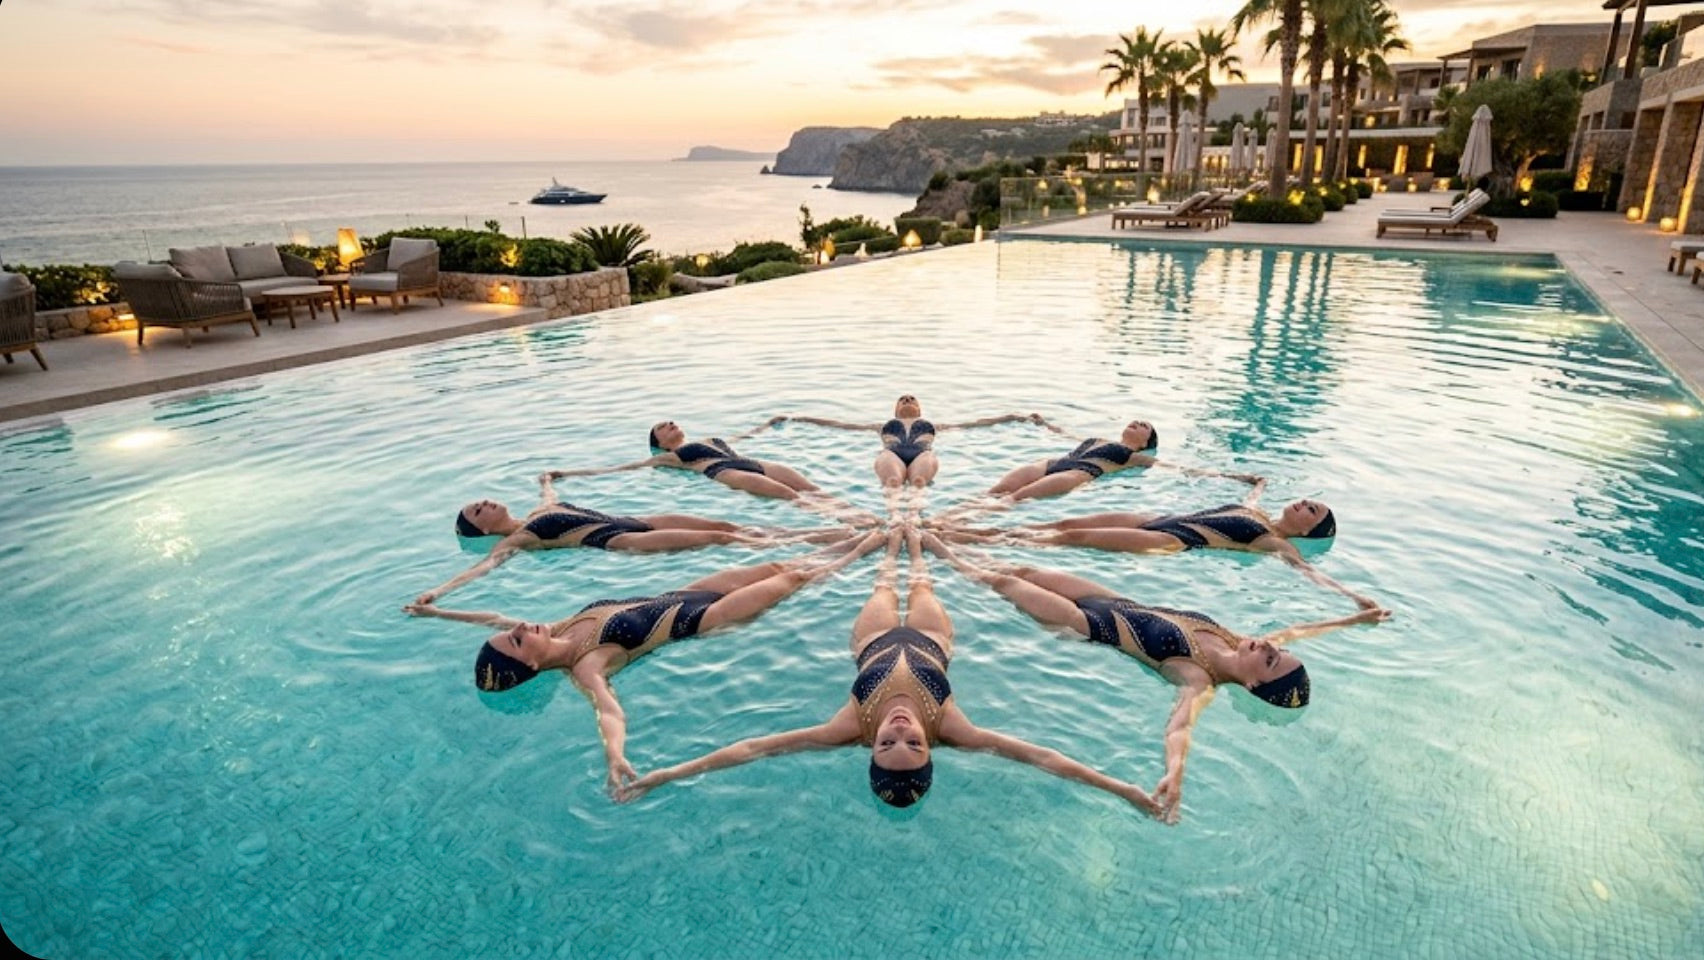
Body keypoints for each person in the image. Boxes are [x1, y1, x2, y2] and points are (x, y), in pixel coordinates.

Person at [614, 527, 1162, 817]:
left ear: (869, 749)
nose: (899, 728)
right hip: (931, 637)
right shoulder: (955, 729)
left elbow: (753, 748)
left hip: (872, 640)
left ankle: (889, 544)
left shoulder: (846, 727)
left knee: (882, 580)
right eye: (913, 744)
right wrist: (1125, 789)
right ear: (931, 750)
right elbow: (1042, 757)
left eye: (887, 744)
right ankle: (917, 542)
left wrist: (665, 774)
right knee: (921, 581)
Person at [921, 533, 1389, 822]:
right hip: (1112, 599)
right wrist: (1351, 619)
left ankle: (936, 555)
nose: (1268, 646)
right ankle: (944, 546)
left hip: (1088, 625)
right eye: (1275, 650)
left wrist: (1174, 774)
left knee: (1003, 584)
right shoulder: (1236, 639)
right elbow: (1297, 631)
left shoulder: (1198, 679)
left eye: (1270, 660)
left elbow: (1180, 726)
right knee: (1019, 569)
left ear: (1251, 686)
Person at [405, 533, 883, 795]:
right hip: (704, 618)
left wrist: (439, 607)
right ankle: (870, 552)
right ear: (528, 666)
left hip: (686, 592)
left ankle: (865, 538)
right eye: (515, 639)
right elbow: (609, 711)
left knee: (782, 565)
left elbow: (490, 616)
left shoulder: (559, 625)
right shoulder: (585, 664)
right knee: (795, 578)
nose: (520, 626)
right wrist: (615, 756)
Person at [413, 472, 835, 605]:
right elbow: (482, 567)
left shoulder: (539, 511)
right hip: (614, 540)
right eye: (477, 510)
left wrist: (545, 479)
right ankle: (803, 543)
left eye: (480, 500)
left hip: (633, 519)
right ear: (483, 530)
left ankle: (802, 534)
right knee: (712, 537)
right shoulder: (518, 540)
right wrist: (438, 590)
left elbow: (550, 495)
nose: (484, 503)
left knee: (722, 525)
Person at [943, 484, 1377, 610]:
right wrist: (1257, 486)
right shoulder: (1260, 516)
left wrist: (1354, 598)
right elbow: (1250, 501)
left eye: (1312, 510)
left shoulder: (1274, 542)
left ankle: (969, 541)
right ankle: (979, 534)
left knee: (1072, 538)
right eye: (1309, 500)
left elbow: (1309, 573)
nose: (1305, 503)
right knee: (1066, 522)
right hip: (1157, 520)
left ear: (1307, 533)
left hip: (1172, 539)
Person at [777, 395, 1042, 517]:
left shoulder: (934, 426)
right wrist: (796, 418)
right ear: (894, 409)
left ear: (919, 407)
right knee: (893, 482)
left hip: (923, 453)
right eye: (902, 399)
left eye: (911, 399)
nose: (907, 400)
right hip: (890, 453)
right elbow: (838, 424)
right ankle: (893, 518)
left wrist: (1016, 417)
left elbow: (978, 422)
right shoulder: (881, 426)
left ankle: (914, 517)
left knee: (918, 483)